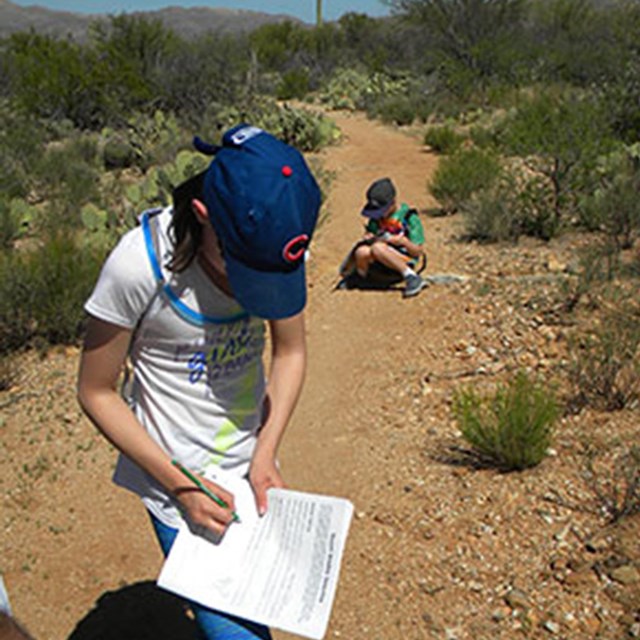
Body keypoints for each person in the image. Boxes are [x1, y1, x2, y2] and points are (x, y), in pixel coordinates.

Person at [77, 123, 321, 640]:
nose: (248, 288)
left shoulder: (274, 243)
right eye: (240, 268)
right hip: (174, 481)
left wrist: (266, 452)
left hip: (247, 471)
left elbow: (291, 350)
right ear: (204, 216)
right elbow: (96, 391)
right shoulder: (139, 265)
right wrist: (182, 486)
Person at [351, 177, 427, 297]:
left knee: (378, 248)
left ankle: (411, 276)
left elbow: (417, 252)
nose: (379, 215)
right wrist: (369, 236)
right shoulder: (376, 219)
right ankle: (362, 279)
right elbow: (370, 236)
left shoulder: (409, 217)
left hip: (402, 261)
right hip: (381, 262)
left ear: (392, 203)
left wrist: (403, 241)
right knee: (361, 252)